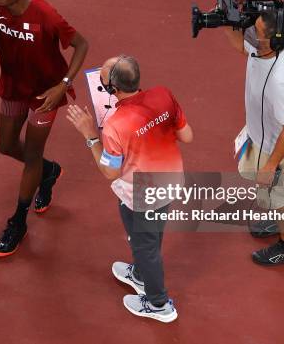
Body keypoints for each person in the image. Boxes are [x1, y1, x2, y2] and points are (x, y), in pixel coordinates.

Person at [0, 0, 89, 257]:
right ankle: (49, 170)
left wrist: (63, 84)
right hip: (12, 87)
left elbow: (82, 45)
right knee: (6, 145)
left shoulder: (46, 15)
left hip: (44, 94)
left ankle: (18, 221)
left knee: (32, 153)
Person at [66, 55, 193, 323]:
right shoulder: (163, 94)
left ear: (113, 90)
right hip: (170, 180)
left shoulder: (115, 124)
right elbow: (187, 135)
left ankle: (159, 304)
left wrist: (90, 135)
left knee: (145, 246)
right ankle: (139, 275)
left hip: (140, 194)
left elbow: (110, 171)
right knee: (151, 234)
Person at [223, 9, 284, 265]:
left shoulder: (281, 81)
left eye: (255, 33)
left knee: (275, 190)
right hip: (261, 133)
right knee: (268, 188)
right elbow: (242, 46)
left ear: (275, 40)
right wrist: (226, 23)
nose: (248, 34)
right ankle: (283, 215)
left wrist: (271, 166)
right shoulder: (264, 48)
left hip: (275, 144)